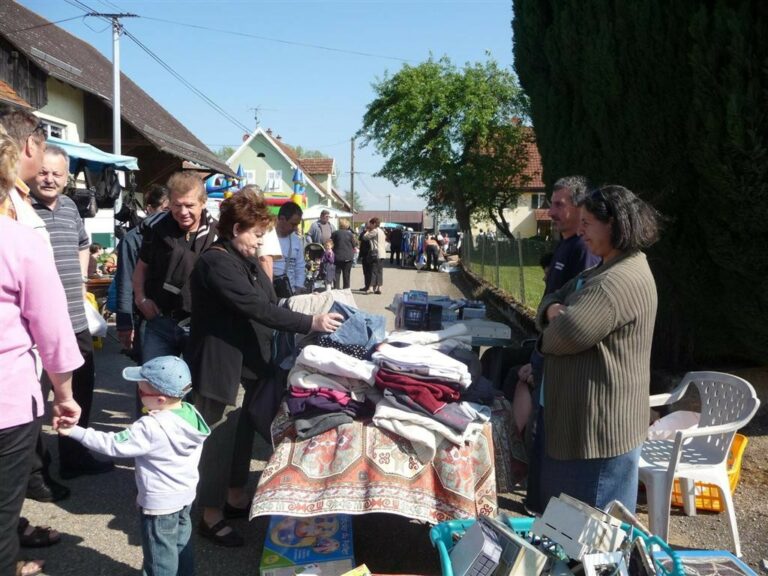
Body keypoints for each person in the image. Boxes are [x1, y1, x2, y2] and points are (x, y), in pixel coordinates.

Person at [188, 192, 342, 546]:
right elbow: (259, 308)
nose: (261, 241)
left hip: (248, 366)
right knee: (219, 442)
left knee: (240, 435)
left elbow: (271, 301)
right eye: (256, 234)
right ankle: (210, 515)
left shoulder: (246, 260)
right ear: (236, 228)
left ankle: (234, 496)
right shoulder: (217, 262)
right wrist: (311, 322)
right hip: (221, 367)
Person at [536, 184, 660, 512]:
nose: (581, 229)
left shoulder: (613, 283)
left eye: (589, 223)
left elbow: (562, 336)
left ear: (616, 225)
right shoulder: (606, 268)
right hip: (592, 429)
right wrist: (550, 311)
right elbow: (552, 298)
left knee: (592, 537)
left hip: (599, 436)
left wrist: (552, 322)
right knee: (577, 534)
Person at [1, 132, 83, 576]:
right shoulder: (19, 238)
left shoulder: (58, 215)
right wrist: (64, 394)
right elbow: (51, 331)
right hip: (8, 400)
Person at [58, 356, 210, 576]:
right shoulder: (191, 414)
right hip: (185, 496)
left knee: (159, 559)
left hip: (159, 504)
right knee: (179, 546)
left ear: (159, 399)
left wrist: (75, 431)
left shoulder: (151, 426)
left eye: (141, 392)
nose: (138, 396)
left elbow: (112, 445)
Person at [30, 145, 114, 481]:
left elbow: (82, 243)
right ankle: (37, 472)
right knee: (36, 398)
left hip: (75, 319)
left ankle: (74, 456)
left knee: (81, 388)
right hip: (38, 321)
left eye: (57, 174)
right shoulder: (19, 209)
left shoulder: (69, 207)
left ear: (67, 178)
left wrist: (79, 283)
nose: (50, 179)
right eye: (43, 172)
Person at [524, 175, 600, 515]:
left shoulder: (583, 250)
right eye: (550, 203)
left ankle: (543, 507)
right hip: (545, 348)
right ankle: (535, 501)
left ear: (579, 207)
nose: (550, 211)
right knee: (540, 430)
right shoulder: (565, 245)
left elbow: (572, 313)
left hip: (557, 356)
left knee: (548, 431)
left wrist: (551, 320)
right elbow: (549, 303)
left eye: (558, 205)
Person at [132, 171, 216, 362]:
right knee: (154, 385)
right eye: (177, 205)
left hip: (201, 324)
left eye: (190, 205)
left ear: (203, 202)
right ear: (169, 202)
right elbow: (141, 268)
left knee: (194, 388)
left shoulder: (217, 235)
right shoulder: (155, 230)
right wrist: (141, 299)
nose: (183, 212)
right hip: (160, 322)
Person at [113, 184, 170, 358]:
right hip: (146, 315)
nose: (168, 214)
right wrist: (124, 324)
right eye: (164, 209)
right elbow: (125, 281)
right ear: (149, 209)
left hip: (176, 316)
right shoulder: (133, 239)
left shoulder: (179, 235)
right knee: (149, 373)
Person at [272, 201, 305, 296]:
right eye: (293, 224)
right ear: (282, 219)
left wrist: (298, 287)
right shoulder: (267, 237)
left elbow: (300, 266)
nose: (296, 228)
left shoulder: (296, 240)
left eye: (297, 224)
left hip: (291, 292)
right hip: (270, 292)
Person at [362, 217, 386, 294]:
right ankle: (379, 287)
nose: (370, 225)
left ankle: (371, 288)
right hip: (382, 253)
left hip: (376, 253)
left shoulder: (374, 231)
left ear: (374, 224)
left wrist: (367, 231)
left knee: (373, 271)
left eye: (371, 224)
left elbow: (365, 237)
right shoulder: (382, 231)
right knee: (379, 271)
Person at [330, 218, 354, 289]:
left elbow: (330, 244)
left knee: (336, 274)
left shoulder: (335, 233)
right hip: (348, 257)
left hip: (337, 257)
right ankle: (346, 290)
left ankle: (336, 289)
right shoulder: (350, 234)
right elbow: (354, 245)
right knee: (346, 275)